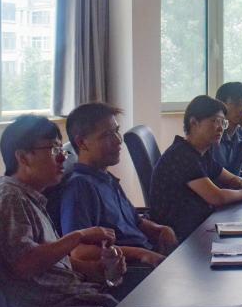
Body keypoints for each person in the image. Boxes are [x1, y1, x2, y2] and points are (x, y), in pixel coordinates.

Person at [0, 115, 122, 307]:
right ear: (23, 157)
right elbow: (25, 263)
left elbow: (49, 263)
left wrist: (97, 269)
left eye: (60, 149)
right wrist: (77, 236)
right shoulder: (10, 198)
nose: (63, 157)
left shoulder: (28, 197)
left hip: (70, 306)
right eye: (53, 149)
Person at [60, 102, 176, 267]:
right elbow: (79, 252)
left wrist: (160, 229)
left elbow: (136, 222)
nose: (118, 140)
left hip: (150, 256)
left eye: (116, 131)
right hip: (131, 269)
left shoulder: (105, 177)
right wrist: (140, 254)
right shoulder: (80, 187)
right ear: (81, 143)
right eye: (107, 135)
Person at [150, 95, 242, 239]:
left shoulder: (201, 152)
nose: (220, 128)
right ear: (194, 122)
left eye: (223, 122)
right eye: (215, 121)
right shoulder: (182, 154)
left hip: (199, 225)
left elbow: (229, 178)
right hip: (180, 237)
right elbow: (217, 197)